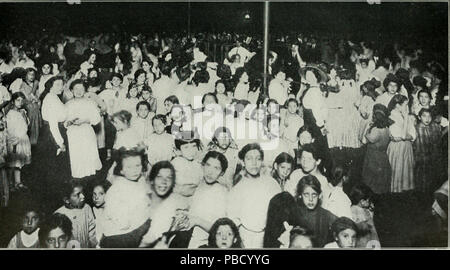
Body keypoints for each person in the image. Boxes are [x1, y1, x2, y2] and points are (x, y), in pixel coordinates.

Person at [227, 143, 281, 248]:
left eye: (258, 159)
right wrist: (240, 243)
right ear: (243, 162)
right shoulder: (237, 189)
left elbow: (280, 211)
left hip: (270, 236)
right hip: (246, 237)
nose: (254, 163)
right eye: (249, 159)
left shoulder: (271, 183)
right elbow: (233, 220)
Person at [102, 148, 151, 242]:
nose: (134, 170)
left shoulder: (140, 180)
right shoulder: (117, 189)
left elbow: (145, 199)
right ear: (121, 170)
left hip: (134, 228)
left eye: (137, 165)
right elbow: (120, 221)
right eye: (129, 167)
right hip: (118, 235)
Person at [140, 161, 188, 247]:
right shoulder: (141, 201)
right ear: (151, 180)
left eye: (169, 178)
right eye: (159, 177)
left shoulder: (172, 205)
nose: (164, 182)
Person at [187, 151, 229, 248]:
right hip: (187, 241)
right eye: (208, 165)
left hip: (204, 245)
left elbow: (220, 230)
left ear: (222, 173)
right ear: (203, 165)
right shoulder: (198, 186)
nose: (210, 172)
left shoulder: (221, 192)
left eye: (216, 168)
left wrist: (197, 221)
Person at [64, 79, 102, 179]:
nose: (78, 91)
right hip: (73, 134)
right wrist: (69, 122)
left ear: (85, 90)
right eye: (76, 88)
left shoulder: (90, 103)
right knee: (76, 157)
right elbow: (64, 121)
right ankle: (77, 179)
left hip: (86, 132)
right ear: (72, 90)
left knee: (88, 155)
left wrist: (85, 120)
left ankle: (89, 179)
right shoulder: (68, 104)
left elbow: (96, 118)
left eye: (81, 88)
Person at [295, 175, 337, 247]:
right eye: (306, 195)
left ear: (319, 195)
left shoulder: (325, 215)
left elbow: (343, 224)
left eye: (314, 195)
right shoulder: (294, 213)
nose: (310, 199)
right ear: (300, 195)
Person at [54, 181, 97, 248]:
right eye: (77, 195)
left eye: (82, 193)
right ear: (67, 200)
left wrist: (92, 244)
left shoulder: (87, 208)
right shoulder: (59, 214)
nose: (83, 196)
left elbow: (92, 229)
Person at [387, 94, 416, 192]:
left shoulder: (404, 115)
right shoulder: (391, 116)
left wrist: (407, 136)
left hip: (407, 148)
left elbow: (413, 134)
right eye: (405, 105)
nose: (407, 107)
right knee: (397, 172)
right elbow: (401, 136)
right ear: (397, 105)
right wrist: (406, 119)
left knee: (405, 175)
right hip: (397, 148)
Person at [361, 104, 392, 194]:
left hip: (373, 157)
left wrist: (367, 130)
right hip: (383, 156)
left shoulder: (376, 130)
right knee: (382, 180)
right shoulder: (387, 129)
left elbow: (368, 139)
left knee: (371, 179)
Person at [6, 92, 31, 190]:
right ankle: (10, 184)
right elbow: (11, 129)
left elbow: (26, 125)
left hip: (23, 139)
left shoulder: (22, 112)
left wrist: (24, 115)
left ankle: (18, 182)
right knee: (12, 163)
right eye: (18, 100)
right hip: (15, 141)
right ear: (13, 101)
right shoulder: (11, 114)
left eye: (22, 100)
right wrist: (14, 142)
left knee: (19, 164)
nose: (20, 102)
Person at [413, 108, 443, 193]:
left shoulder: (434, 127)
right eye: (424, 116)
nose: (427, 119)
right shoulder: (416, 129)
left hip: (432, 158)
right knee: (421, 179)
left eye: (429, 116)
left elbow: (438, 142)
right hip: (420, 158)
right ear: (419, 117)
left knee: (431, 179)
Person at [171, 131, 203, 205]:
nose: (190, 151)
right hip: (177, 201)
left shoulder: (198, 164)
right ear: (179, 150)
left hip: (194, 201)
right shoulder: (176, 163)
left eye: (194, 146)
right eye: (186, 147)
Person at [349, 183, 380, 248]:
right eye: (369, 200)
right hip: (363, 240)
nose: (371, 202)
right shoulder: (363, 211)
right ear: (362, 201)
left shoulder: (351, 209)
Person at [91, 180, 111, 246]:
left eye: (101, 194)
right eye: (94, 194)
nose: (96, 197)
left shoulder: (113, 212)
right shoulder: (93, 210)